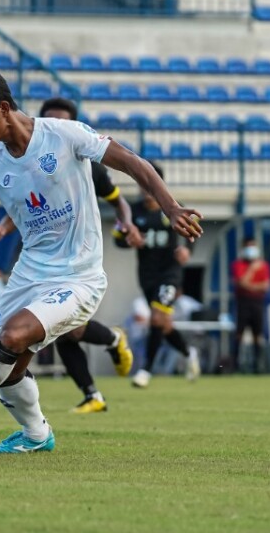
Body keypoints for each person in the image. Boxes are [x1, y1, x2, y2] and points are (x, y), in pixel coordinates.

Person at [0, 62, 202, 454]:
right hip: (29, 275)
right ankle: (37, 435)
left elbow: (134, 163)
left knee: (11, 337)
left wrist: (171, 208)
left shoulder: (64, 135)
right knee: (11, 368)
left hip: (79, 275)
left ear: (3, 108)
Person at [0, 96, 139, 413]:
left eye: (64, 119)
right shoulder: (24, 156)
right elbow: (25, 203)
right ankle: (98, 377)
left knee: (64, 330)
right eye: (53, 118)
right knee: (57, 331)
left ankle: (98, 376)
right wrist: (3, 227)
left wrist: (127, 223)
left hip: (77, 258)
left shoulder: (83, 157)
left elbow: (117, 200)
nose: (59, 124)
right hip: (36, 254)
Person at [119, 161, 202, 388]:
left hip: (170, 274)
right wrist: (128, 240)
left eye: (149, 186)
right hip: (147, 276)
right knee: (163, 324)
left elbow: (191, 234)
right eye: (141, 186)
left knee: (156, 318)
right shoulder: (133, 212)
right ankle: (189, 353)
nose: (144, 191)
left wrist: (187, 249)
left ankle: (145, 370)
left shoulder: (174, 208)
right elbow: (119, 238)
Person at [231, 237, 270, 373]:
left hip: (258, 302)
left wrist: (251, 286)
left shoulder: (263, 265)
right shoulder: (238, 265)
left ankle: (258, 365)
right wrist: (252, 270)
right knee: (239, 333)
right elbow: (241, 283)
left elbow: (266, 285)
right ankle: (235, 365)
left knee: (257, 334)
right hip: (243, 302)